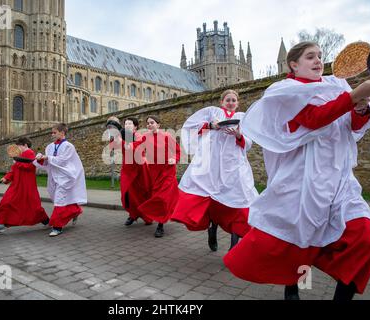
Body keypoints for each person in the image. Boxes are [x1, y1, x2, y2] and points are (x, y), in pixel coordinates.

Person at [223, 41, 370, 300]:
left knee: (365, 241)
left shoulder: (337, 85)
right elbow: (313, 119)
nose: (318, 61)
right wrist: (352, 97)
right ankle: (292, 286)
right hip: (303, 180)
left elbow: (352, 126)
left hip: (340, 179)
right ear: (293, 65)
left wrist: (360, 106)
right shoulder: (285, 91)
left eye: (320, 56)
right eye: (310, 57)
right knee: (296, 243)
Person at [171, 90, 258, 251]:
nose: (231, 102)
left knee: (240, 196)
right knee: (212, 197)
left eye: (233, 100)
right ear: (222, 102)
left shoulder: (243, 117)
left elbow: (249, 141)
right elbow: (192, 126)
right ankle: (213, 228)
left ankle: (235, 242)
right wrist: (213, 126)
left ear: (237, 103)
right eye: (228, 100)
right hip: (212, 164)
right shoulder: (213, 112)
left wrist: (239, 135)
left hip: (234, 165)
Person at [34, 123, 87, 237]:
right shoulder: (49, 147)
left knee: (59, 200)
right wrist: (40, 159)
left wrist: (48, 157)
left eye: (55, 132)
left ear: (62, 133)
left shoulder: (68, 146)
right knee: (58, 198)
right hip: (54, 177)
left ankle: (57, 227)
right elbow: (47, 163)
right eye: (52, 132)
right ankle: (75, 211)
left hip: (66, 177)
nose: (52, 135)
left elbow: (62, 161)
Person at [0, 137, 49, 234]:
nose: (17, 148)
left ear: (25, 145)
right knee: (6, 202)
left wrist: (17, 162)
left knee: (34, 207)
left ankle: (47, 221)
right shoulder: (20, 155)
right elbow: (14, 170)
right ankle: (0, 224)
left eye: (18, 146)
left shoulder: (29, 153)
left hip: (27, 186)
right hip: (17, 185)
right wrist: (6, 178)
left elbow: (29, 166)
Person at [131, 115, 180, 237]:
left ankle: (160, 225)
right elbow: (136, 145)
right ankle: (150, 215)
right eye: (147, 123)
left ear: (158, 124)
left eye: (152, 123)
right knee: (157, 197)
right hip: (154, 172)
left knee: (162, 198)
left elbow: (177, 151)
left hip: (167, 171)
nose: (149, 125)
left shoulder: (167, 136)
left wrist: (174, 159)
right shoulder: (145, 137)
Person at [108, 117, 153, 226]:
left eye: (130, 123)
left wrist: (122, 140)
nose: (127, 125)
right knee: (128, 193)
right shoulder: (123, 134)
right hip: (127, 168)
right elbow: (113, 146)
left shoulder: (139, 136)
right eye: (125, 123)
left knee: (142, 193)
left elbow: (135, 148)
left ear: (135, 126)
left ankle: (147, 216)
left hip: (139, 168)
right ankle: (132, 214)